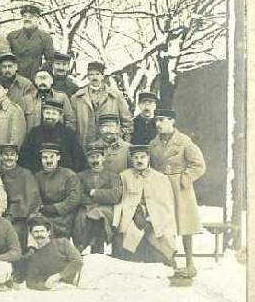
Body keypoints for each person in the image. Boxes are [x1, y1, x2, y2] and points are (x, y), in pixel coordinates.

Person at [19, 216, 173, 291]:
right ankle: (163, 283)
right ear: (32, 234)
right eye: (35, 232)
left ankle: (167, 271)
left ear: (48, 232)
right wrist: (48, 286)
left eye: (42, 231)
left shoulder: (62, 242)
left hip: (91, 264)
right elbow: (31, 282)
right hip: (83, 281)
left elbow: (77, 261)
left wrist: (59, 276)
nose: (39, 234)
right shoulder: (35, 257)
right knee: (123, 284)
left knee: (128, 268)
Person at [148, 109, 206, 277]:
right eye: (156, 121)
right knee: (164, 223)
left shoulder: (184, 141)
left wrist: (185, 178)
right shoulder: (153, 144)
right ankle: (170, 261)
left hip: (180, 188)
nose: (158, 124)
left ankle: (190, 263)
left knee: (185, 224)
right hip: (161, 187)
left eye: (161, 120)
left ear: (172, 121)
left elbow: (199, 165)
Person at [114, 146, 178, 267]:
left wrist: (151, 219)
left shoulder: (161, 178)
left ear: (148, 158)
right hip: (131, 216)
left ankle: (165, 259)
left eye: (143, 157)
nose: (139, 160)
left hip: (156, 217)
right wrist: (132, 216)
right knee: (130, 233)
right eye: (135, 157)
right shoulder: (124, 176)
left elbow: (167, 205)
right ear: (131, 160)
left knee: (161, 236)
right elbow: (121, 201)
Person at [72, 144, 123, 253]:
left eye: (97, 156)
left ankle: (86, 247)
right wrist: (93, 202)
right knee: (82, 217)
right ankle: (85, 248)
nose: (95, 160)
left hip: (107, 209)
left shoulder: (113, 176)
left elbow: (115, 196)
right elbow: (77, 195)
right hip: (86, 207)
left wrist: (94, 192)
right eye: (91, 157)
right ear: (87, 159)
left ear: (103, 158)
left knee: (98, 215)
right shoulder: (80, 176)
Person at [72, 61, 133, 148]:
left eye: (97, 74)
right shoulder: (77, 97)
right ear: (88, 76)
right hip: (86, 144)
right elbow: (72, 124)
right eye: (91, 74)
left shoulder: (115, 96)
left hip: (110, 144)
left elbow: (127, 121)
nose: (94, 77)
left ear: (103, 76)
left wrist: (119, 136)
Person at [19, 99, 87, 173]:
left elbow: (78, 159)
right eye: (47, 113)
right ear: (43, 113)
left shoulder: (68, 134)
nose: (50, 117)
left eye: (54, 114)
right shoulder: (34, 133)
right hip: (38, 178)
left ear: (60, 116)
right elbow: (24, 158)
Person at [34, 143, 83, 239]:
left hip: (64, 216)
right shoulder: (37, 177)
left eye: (52, 157)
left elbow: (74, 199)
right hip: (43, 214)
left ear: (58, 157)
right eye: (45, 157)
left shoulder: (69, 175)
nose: (48, 161)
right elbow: (33, 197)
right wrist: (41, 208)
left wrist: (55, 209)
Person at [0, 144, 41, 248]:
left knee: (15, 234)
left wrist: (22, 214)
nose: (9, 158)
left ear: (17, 157)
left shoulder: (25, 174)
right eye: (6, 155)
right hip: (0, 211)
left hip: (19, 215)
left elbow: (32, 198)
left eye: (12, 155)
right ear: (1, 157)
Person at [0, 75, 27, 161]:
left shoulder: (14, 110)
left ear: (5, 90)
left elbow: (17, 137)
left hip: (7, 158)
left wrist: (8, 156)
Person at [6, 4, 54, 80]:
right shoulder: (12, 36)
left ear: (37, 19)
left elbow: (51, 59)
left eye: (31, 17)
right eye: (25, 16)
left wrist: (40, 71)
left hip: (34, 78)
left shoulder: (45, 38)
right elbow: (7, 58)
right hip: (15, 78)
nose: (27, 19)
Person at [23, 67, 76, 131]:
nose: (42, 81)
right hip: (33, 138)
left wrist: (64, 137)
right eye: (39, 78)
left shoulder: (62, 97)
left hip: (56, 138)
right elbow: (21, 123)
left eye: (45, 78)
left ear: (51, 81)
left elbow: (70, 120)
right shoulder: (26, 100)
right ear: (35, 81)